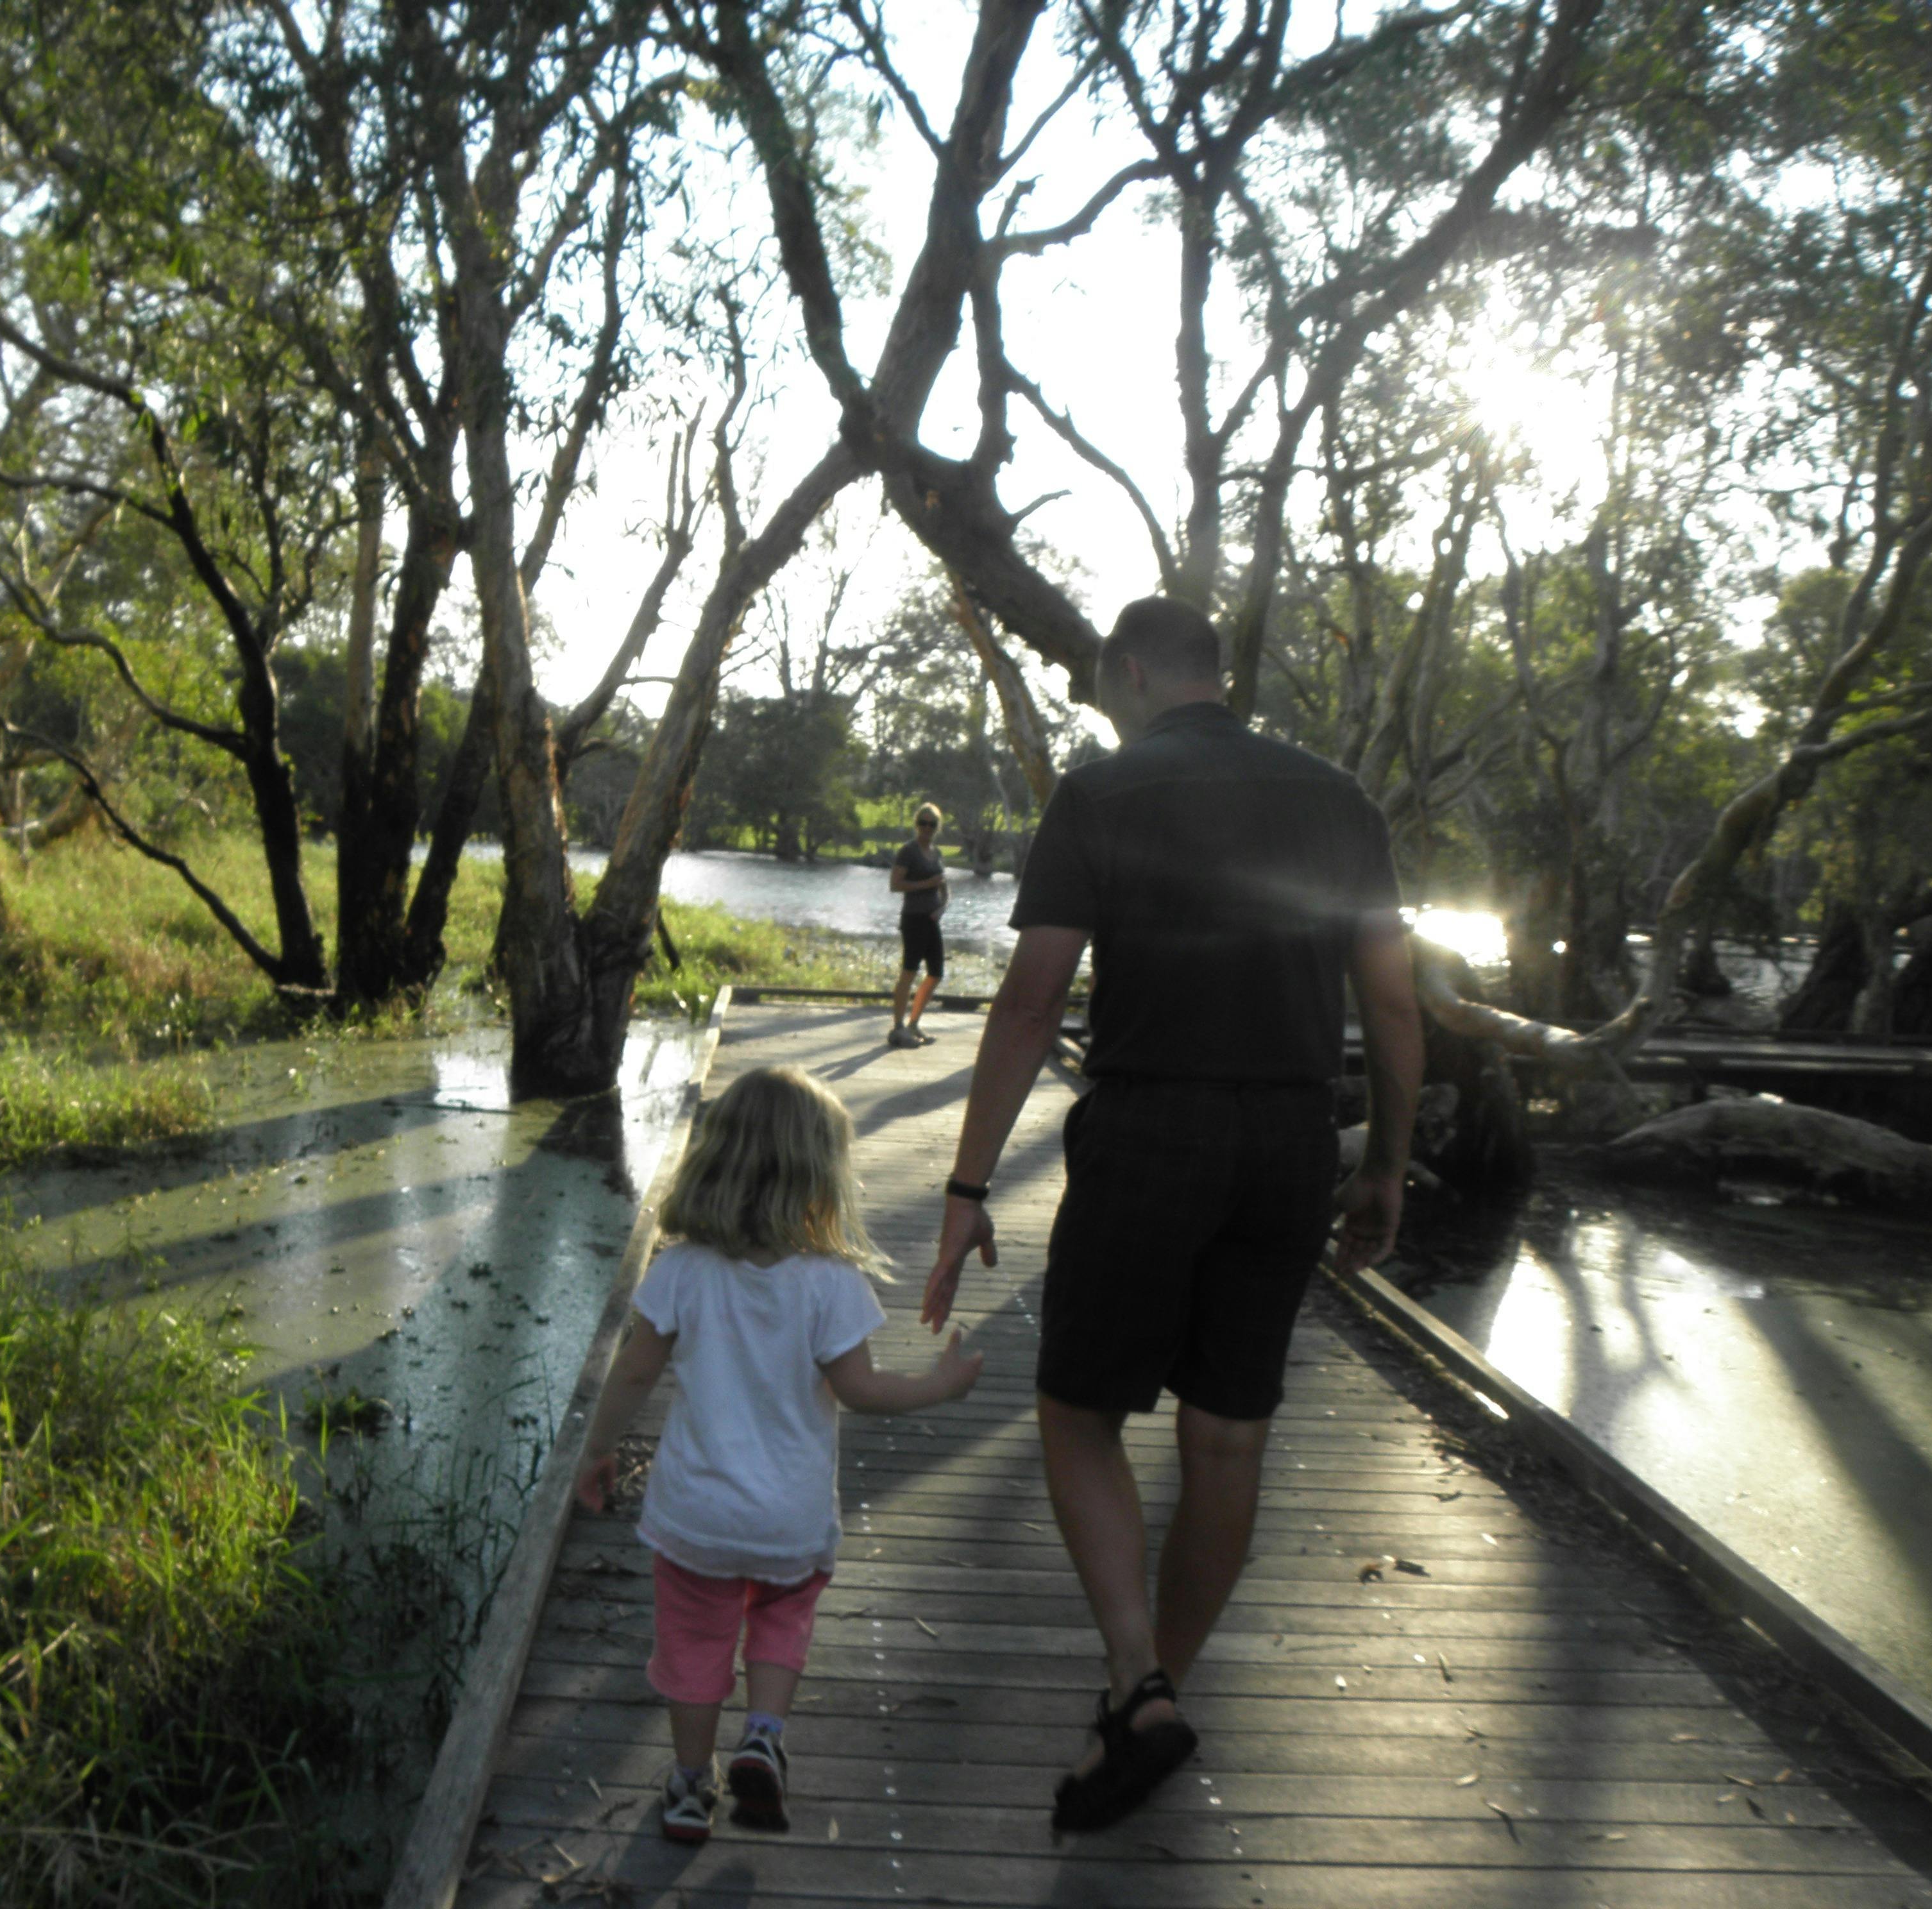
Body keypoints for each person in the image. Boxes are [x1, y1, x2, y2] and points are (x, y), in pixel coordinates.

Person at [921, 597, 1423, 1837]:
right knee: (1227, 1440)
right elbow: (1395, 1004)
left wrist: (966, 1186)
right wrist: (1385, 1169)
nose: (1108, 713)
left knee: (1075, 1410)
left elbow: (1031, 1002)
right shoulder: (1337, 799)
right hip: (1288, 1140)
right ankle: (1142, 1700)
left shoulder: (1102, 794)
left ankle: (1136, 1673)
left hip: (1149, 1130)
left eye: (1107, 693)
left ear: (1135, 672)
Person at [578, 1065, 986, 1844]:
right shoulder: (831, 1284)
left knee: (694, 1645)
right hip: (790, 1517)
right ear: (821, 1175)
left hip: (695, 1514)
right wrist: (937, 1385)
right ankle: (761, 1736)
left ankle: (689, 1790)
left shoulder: (680, 1270)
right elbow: (861, 1390)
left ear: (715, 1159)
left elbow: (633, 1370)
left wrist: (598, 1451)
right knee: (780, 1617)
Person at [888, 802, 950, 1048]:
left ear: (937, 827)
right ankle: (899, 1026)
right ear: (916, 825)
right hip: (913, 918)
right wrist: (927, 884)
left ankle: (914, 1022)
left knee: (936, 973)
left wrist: (943, 907)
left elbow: (945, 887)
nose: (926, 828)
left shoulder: (937, 853)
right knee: (909, 971)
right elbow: (895, 885)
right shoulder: (908, 851)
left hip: (932, 919)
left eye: (932, 824)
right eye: (922, 823)